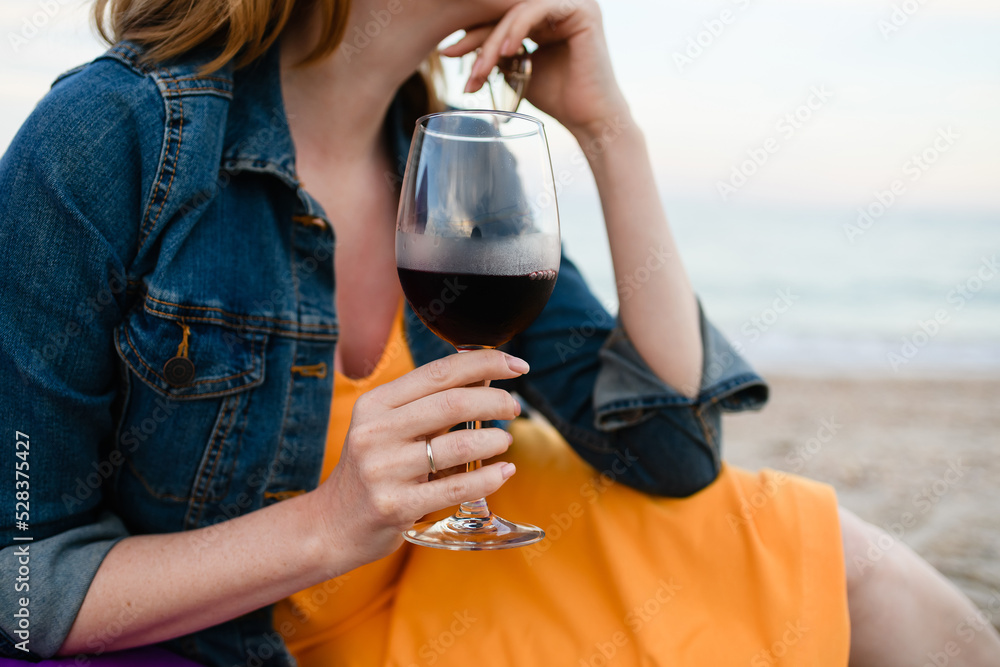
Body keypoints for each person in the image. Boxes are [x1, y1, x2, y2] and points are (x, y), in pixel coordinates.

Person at [1, 0, 998, 665]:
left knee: (843, 564)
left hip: (466, 569)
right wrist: (335, 520)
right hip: (278, 631)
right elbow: (21, 586)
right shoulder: (110, 138)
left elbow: (672, 452)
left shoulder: (450, 164)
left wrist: (608, 129)